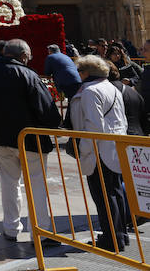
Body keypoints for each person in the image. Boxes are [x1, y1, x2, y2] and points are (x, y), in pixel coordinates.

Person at [0, 39, 61, 244]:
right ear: (23, 56)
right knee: (36, 184)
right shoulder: (29, 75)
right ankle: (41, 231)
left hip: (2, 140)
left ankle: (11, 228)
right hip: (30, 140)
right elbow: (46, 108)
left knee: (9, 183)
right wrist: (51, 126)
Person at [70, 55, 128, 251]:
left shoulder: (90, 91)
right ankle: (121, 235)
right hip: (114, 147)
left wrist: (83, 149)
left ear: (86, 72)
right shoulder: (112, 87)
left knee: (104, 196)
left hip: (99, 151)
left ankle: (111, 240)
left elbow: (94, 126)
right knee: (115, 192)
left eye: (80, 71)